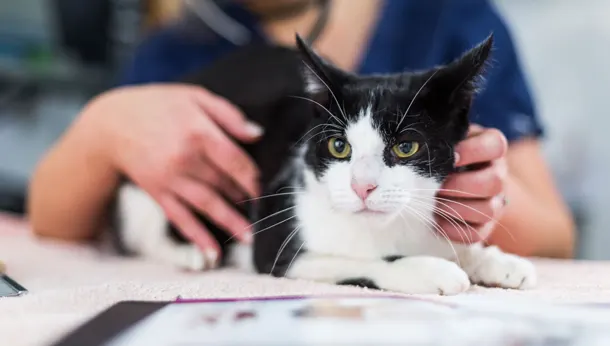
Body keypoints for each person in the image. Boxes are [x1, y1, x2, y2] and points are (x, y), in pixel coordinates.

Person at [28, 0, 575, 259]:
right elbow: (53, 224)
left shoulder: (447, 20)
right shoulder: (178, 50)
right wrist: (104, 127)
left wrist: (481, 200)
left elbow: (555, 237)